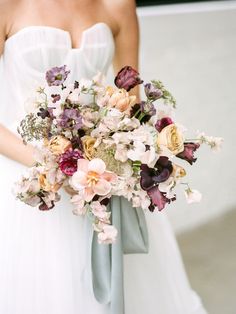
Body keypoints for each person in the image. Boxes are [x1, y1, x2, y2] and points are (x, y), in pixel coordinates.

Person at [0, 0, 207, 313]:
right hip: (30, 179)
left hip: (108, 178)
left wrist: (131, 150)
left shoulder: (118, 5)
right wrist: (53, 164)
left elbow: (131, 101)